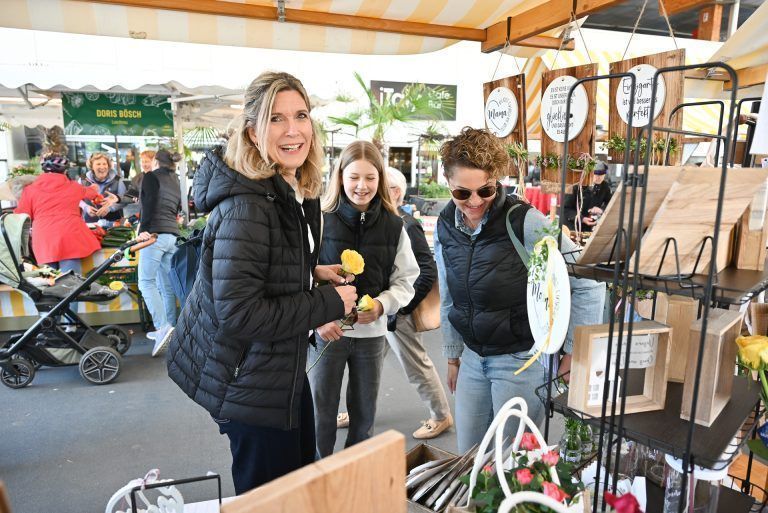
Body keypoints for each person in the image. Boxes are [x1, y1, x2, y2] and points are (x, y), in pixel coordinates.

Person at [165, 71, 357, 494]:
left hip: (276, 368)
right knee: (273, 499)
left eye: (301, 115)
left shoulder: (284, 187)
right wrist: (328, 302)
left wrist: (313, 274)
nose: (293, 130)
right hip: (248, 382)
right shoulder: (249, 206)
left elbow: (268, 270)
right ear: (251, 131)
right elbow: (240, 313)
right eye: (276, 118)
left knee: (300, 484)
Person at [435, 127, 605, 453]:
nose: (474, 202)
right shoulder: (445, 224)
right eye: (462, 193)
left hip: (520, 360)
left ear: (496, 180)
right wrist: (453, 355)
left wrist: (572, 349)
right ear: (448, 183)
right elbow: (449, 291)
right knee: (469, 460)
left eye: (485, 191)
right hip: (472, 357)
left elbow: (588, 281)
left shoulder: (523, 222)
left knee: (513, 465)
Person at [310, 141, 419, 457]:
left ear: (381, 179)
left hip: (371, 337)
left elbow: (406, 279)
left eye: (370, 178)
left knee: (364, 418)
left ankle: (354, 482)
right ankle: (317, 483)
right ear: (340, 176)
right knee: (321, 415)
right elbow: (302, 275)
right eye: (354, 177)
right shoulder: (319, 219)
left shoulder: (394, 225)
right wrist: (319, 316)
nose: (362, 186)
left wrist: (384, 304)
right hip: (327, 334)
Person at [385, 167, 453, 439]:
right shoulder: (385, 220)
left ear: (396, 192)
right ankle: (357, 409)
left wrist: (403, 307)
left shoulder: (407, 224)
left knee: (416, 365)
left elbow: (427, 270)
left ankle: (441, 415)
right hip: (380, 308)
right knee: (365, 365)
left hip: (398, 311)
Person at [15, 154, 113, 272]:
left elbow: (21, 216)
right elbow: (91, 193)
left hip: (44, 240)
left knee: (49, 281)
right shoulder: (73, 187)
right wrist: (94, 188)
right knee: (71, 282)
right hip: (70, 238)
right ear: (65, 170)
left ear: (43, 169)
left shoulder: (30, 190)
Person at [137, 149, 182, 354]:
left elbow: (148, 204)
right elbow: (177, 209)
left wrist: (143, 231)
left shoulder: (150, 177)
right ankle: (170, 326)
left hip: (154, 234)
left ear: (156, 161)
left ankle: (162, 327)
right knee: (166, 285)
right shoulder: (176, 180)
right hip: (172, 235)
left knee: (146, 282)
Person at [563, 162, 612, 232]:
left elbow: (610, 203)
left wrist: (601, 210)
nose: (599, 178)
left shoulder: (605, 186)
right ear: (589, 173)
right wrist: (581, 219)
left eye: (602, 175)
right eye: (596, 174)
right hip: (572, 226)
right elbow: (565, 208)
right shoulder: (575, 185)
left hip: (590, 226)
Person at [80, 152, 126, 223]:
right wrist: (86, 207)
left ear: (108, 166)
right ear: (92, 166)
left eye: (104, 164)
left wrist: (110, 208)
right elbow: (75, 199)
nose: (102, 167)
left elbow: (124, 201)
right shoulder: (83, 180)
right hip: (90, 222)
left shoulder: (118, 180)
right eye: (98, 164)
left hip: (114, 223)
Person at [123, 149, 156, 219]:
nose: (144, 164)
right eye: (143, 162)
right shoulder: (137, 178)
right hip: (142, 214)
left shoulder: (160, 177)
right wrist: (131, 198)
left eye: (147, 161)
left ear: (155, 162)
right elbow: (130, 196)